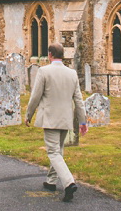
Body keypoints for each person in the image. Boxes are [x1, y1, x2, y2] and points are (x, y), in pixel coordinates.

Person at [24, 43, 88, 202]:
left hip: (50, 118)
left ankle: (68, 183)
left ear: (50, 55)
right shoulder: (72, 73)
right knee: (58, 150)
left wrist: (28, 114)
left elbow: (35, 96)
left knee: (53, 152)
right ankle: (51, 181)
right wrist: (82, 120)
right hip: (66, 119)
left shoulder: (44, 71)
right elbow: (79, 100)